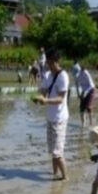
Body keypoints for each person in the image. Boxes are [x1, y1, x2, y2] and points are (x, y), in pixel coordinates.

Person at [33, 49, 69, 181]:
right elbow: (43, 90)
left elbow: (60, 98)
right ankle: (55, 175)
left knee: (57, 152)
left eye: (48, 62)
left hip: (59, 119)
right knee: (52, 151)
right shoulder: (48, 75)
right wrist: (38, 96)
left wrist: (45, 100)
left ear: (54, 61)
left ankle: (65, 178)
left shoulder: (63, 76)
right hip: (50, 117)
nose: (47, 64)